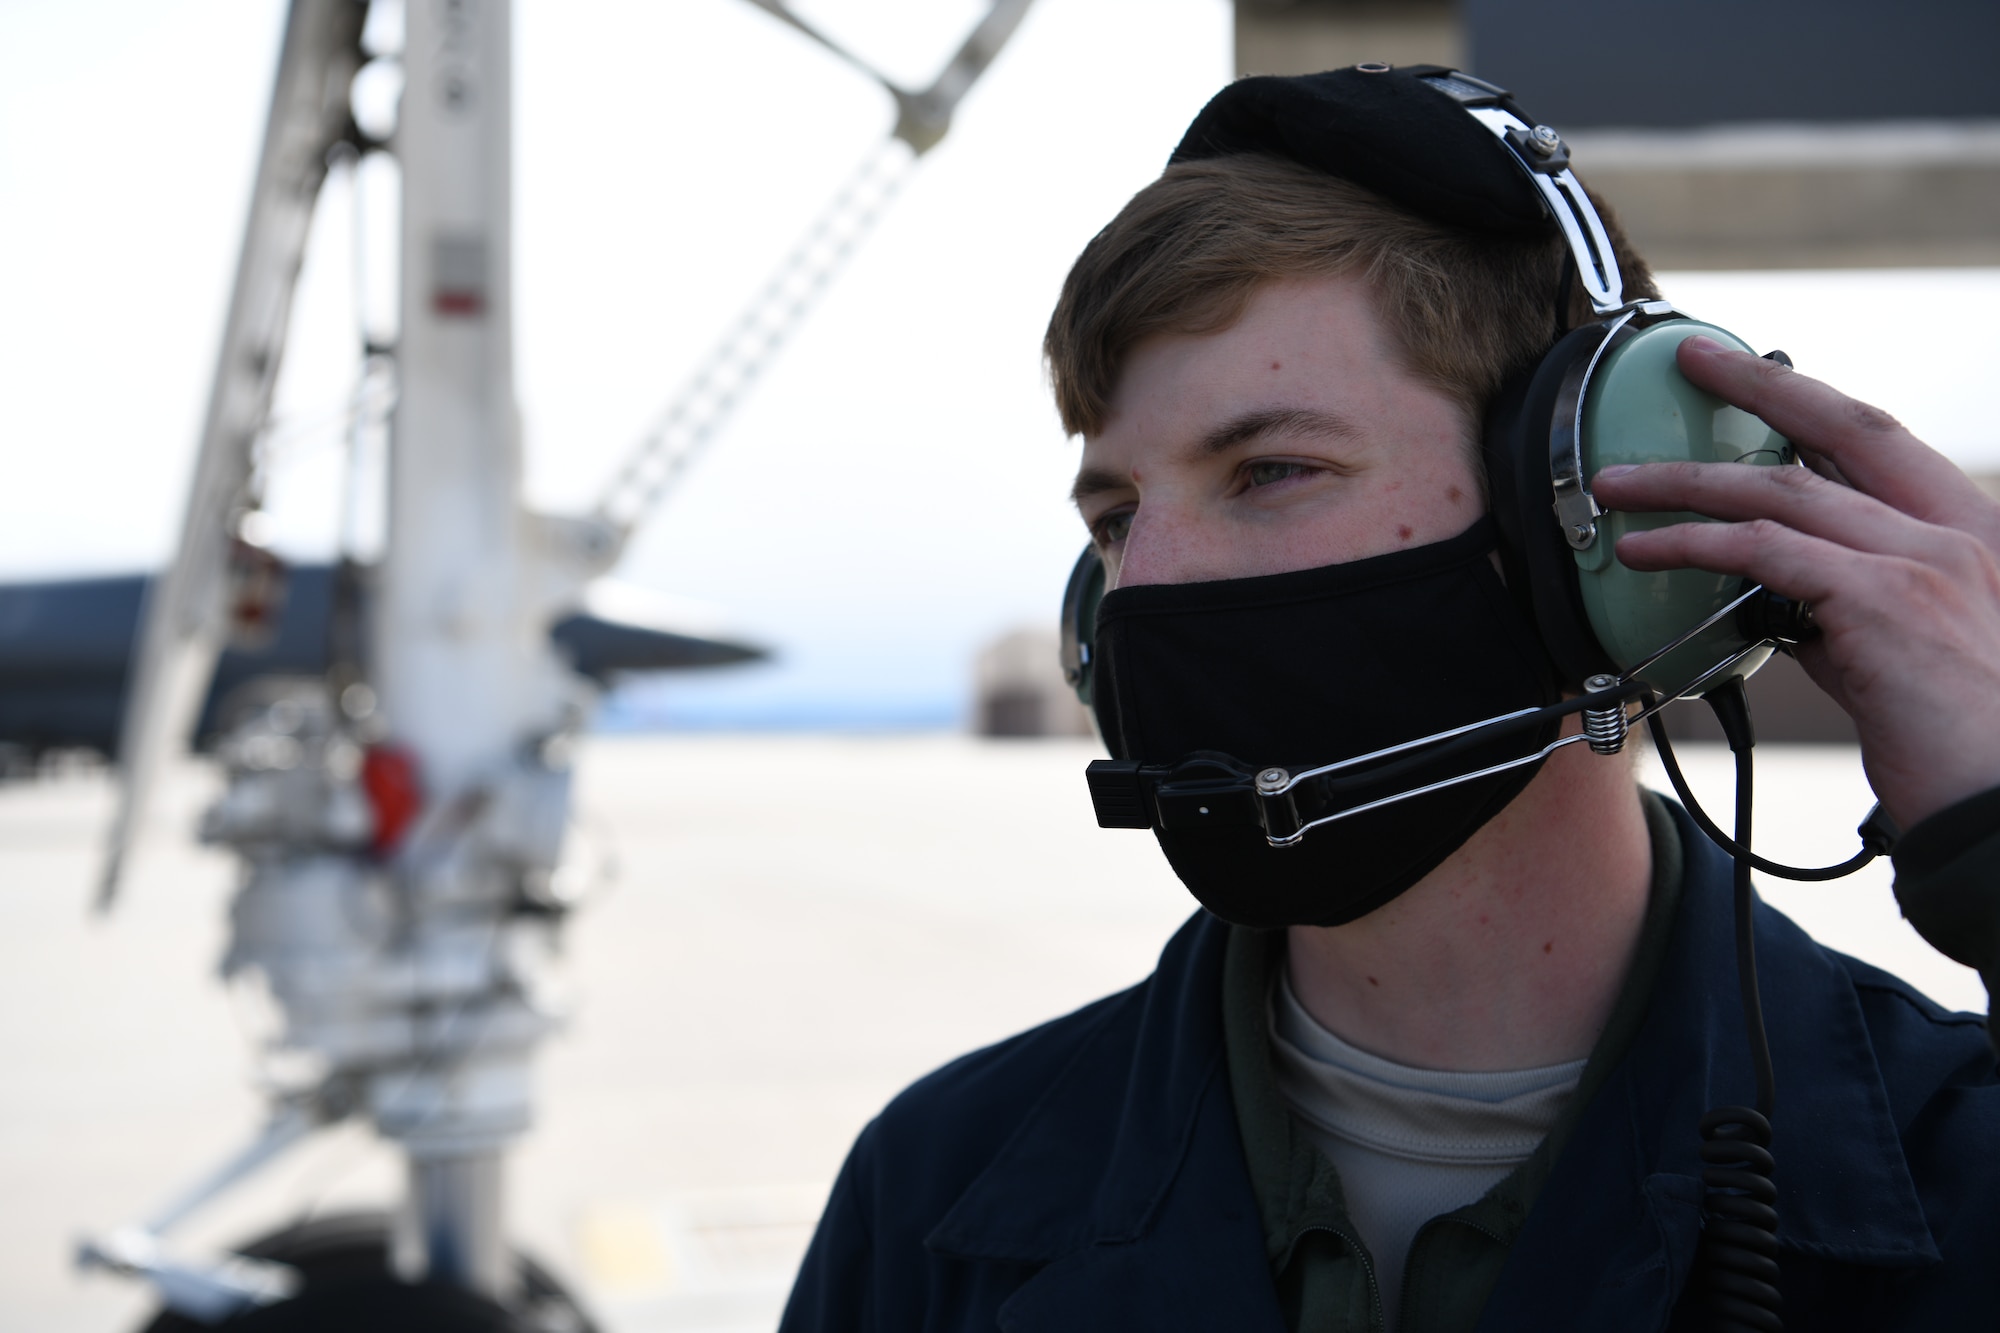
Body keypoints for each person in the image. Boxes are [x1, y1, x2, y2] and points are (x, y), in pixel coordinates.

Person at [779, 66, 2000, 1332]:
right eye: (1113, 517)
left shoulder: (1960, 1164)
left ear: (1584, 517)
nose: (1145, 591)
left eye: (1271, 469)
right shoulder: (930, 1194)